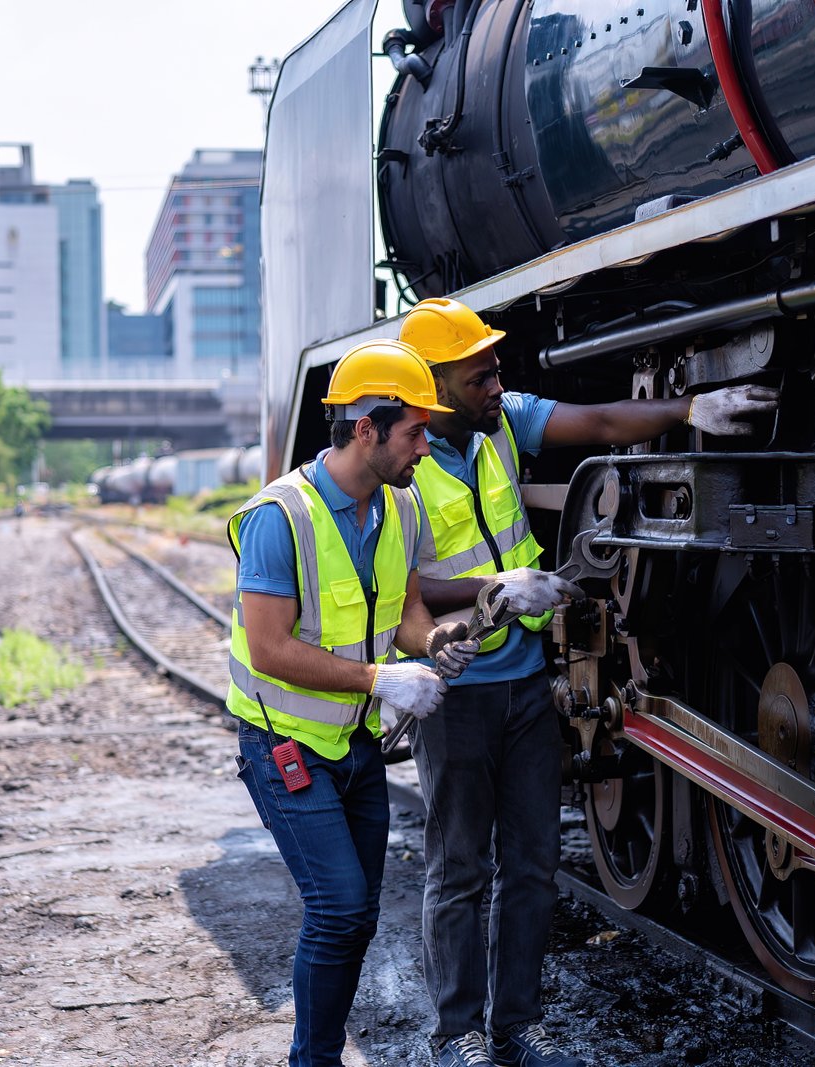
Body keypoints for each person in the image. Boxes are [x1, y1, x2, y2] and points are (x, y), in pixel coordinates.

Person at [399, 297, 779, 1067]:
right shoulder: (400, 468)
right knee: (461, 869)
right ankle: (458, 1034)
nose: (499, 382)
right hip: (456, 693)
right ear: (436, 387)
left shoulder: (502, 423)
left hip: (525, 687)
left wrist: (692, 405)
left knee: (534, 865)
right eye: (482, 374)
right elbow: (399, 590)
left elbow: (600, 423)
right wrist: (495, 586)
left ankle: (517, 1025)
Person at [226, 338, 482, 1067]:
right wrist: (381, 679)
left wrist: (433, 643)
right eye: (414, 431)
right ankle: (313, 1060)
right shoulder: (281, 517)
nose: (426, 448)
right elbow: (270, 646)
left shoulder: (396, 510)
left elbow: (403, 615)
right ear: (365, 427)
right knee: (339, 907)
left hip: (354, 742)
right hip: (285, 744)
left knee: (358, 914)